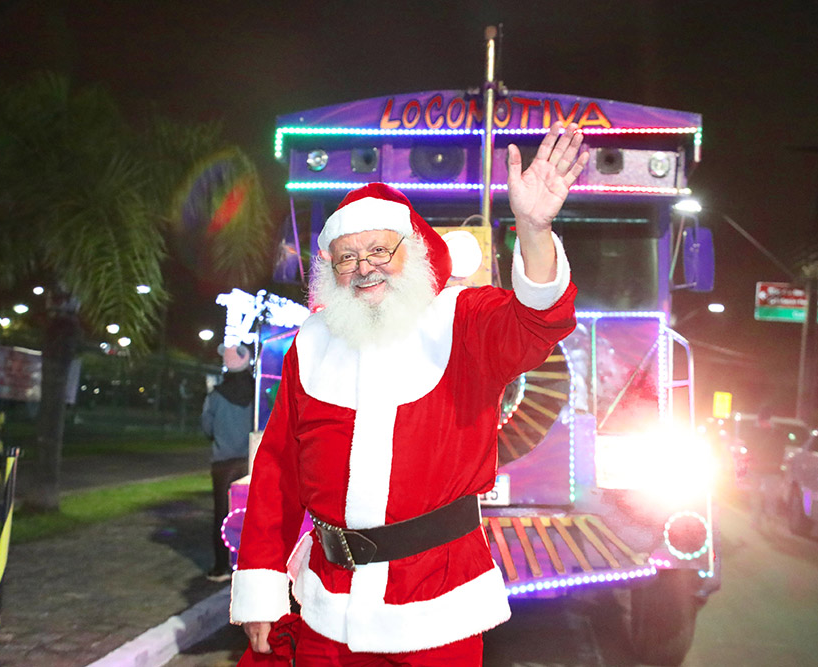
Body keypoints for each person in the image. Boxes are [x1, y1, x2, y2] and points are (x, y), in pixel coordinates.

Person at [232, 122, 588, 665]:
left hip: (438, 606)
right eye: (346, 257)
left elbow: (538, 322)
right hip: (329, 605)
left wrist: (534, 229)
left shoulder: (461, 319)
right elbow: (278, 467)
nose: (363, 268)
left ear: (415, 250)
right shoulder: (314, 341)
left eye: (379, 249)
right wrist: (262, 586)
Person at [201, 343, 255, 582]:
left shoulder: (215, 395)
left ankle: (221, 566)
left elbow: (207, 427)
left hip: (223, 463)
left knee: (222, 514)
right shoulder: (259, 390)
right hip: (252, 462)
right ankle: (251, 563)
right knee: (253, 513)